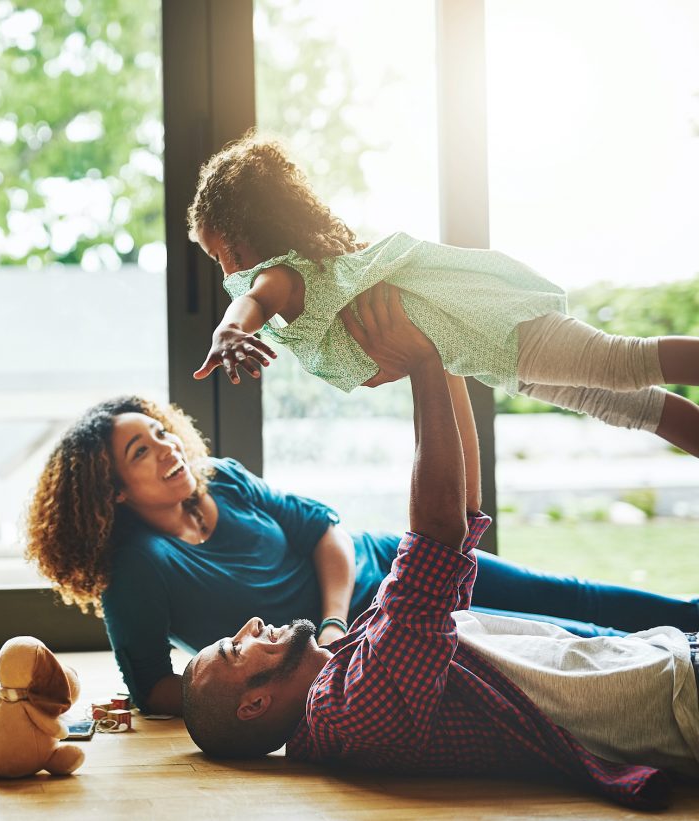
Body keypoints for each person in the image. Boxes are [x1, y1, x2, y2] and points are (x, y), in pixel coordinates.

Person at [24, 293, 699, 717]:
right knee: (560, 643)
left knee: (575, 596)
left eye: (161, 431)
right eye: (141, 451)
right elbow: (155, 688)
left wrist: (330, 622)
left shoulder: (221, 479)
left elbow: (326, 530)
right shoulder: (137, 566)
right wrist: (285, 697)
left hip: (388, 568)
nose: (168, 447)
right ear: (111, 490)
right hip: (381, 644)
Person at [180, 288, 699, 810]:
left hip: (665, 662)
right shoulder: (353, 708)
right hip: (678, 699)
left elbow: (462, 518)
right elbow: (435, 540)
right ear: (255, 705)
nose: (248, 627)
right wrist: (422, 364)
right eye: (233, 649)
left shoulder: (349, 667)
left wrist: (443, 359)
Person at [187, 131, 699, 458]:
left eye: (221, 255)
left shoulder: (284, 277)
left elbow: (251, 302)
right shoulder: (325, 271)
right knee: (630, 406)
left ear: (244, 233)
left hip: (495, 327)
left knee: (621, 363)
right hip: (490, 353)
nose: (226, 271)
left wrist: (230, 331)